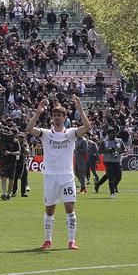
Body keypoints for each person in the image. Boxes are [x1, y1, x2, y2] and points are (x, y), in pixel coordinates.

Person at [25, 96, 91, 250]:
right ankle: (48, 240)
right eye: (54, 115)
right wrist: (37, 113)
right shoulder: (46, 134)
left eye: (59, 115)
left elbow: (87, 128)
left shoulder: (72, 133)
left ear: (64, 117)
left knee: (69, 208)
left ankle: (71, 241)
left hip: (67, 175)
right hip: (50, 176)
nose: (56, 118)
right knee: (50, 210)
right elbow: (29, 129)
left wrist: (80, 110)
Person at [95, 129, 126, 197]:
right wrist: (108, 150)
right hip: (108, 161)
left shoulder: (119, 141)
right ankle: (112, 192)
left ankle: (99, 184)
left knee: (118, 177)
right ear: (108, 134)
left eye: (114, 133)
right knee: (110, 176)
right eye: (112, 133)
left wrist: (118, 152)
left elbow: (124, 150)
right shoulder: (104, 142)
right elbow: (99, 151)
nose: (114, 134)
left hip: (117, 161)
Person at [0, 128, 21, 200]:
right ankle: (4, 193)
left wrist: (10, 153)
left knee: (11, 179)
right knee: (3, 177)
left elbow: (18, 152)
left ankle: (8, 194)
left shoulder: (16, 141)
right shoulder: (3, 141)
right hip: (4, 161)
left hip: (12, 162)